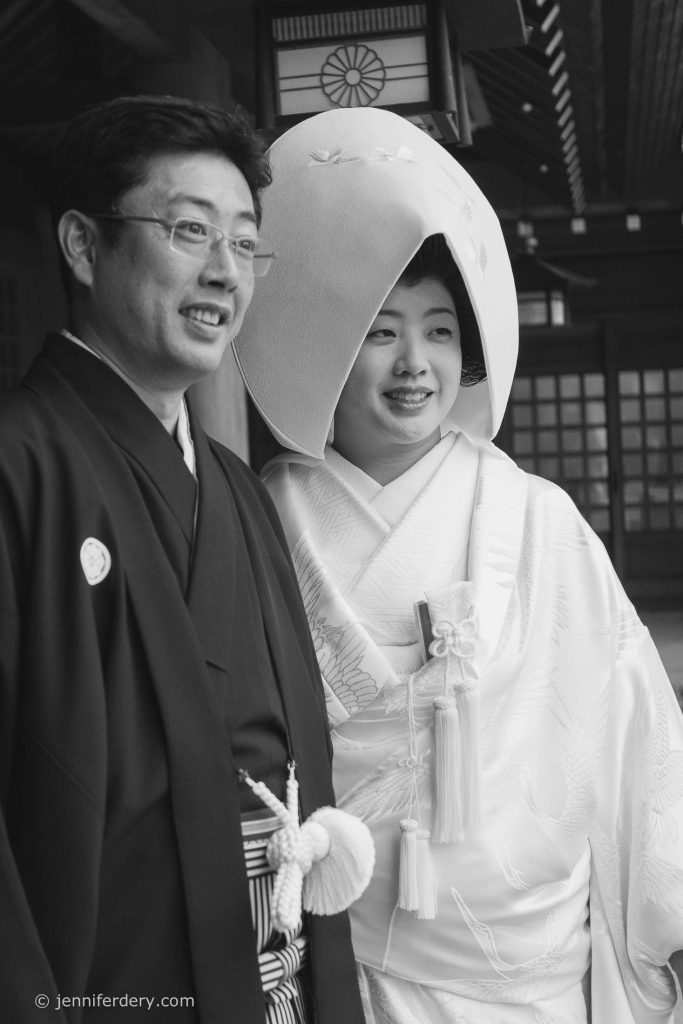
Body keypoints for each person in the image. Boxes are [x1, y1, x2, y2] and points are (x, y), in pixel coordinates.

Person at [233, 107, 683, 1023]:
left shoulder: (536, 519)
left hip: (524, 952)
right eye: (381, 329)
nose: (415, 364)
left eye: (440, 331)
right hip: (334, 941)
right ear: (327, 339)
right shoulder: (262, 518)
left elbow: (629, 725)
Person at [0, 95, 366, 1024]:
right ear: (84, 246)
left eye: (245, 244)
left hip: (270, 969)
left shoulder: (238, 490)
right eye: (188, 230)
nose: (224, 273)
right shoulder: (18, 466)